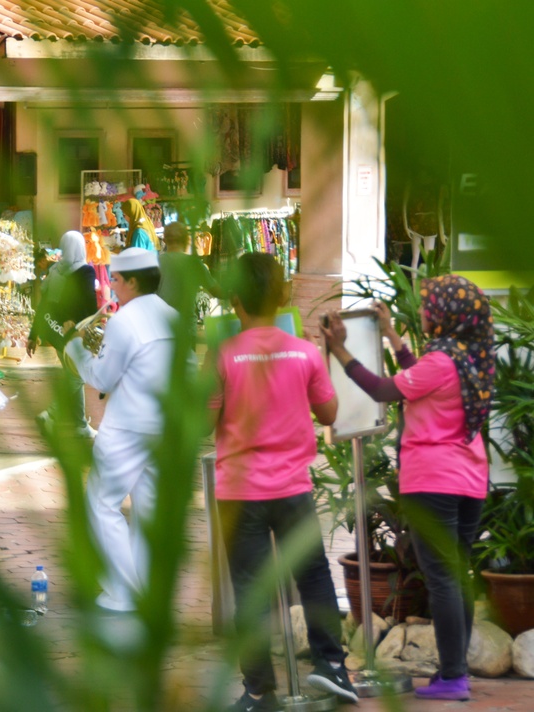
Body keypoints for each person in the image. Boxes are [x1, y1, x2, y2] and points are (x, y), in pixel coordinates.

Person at [321, 275, 495, 702]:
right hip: (469, 478)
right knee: (456, 576)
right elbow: (420, 376)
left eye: (429, 305)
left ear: (445, 316)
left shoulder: (441, 362)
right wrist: (392, 334)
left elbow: (384, 389)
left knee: (442, 579)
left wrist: (340, 349)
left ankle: (453, 677)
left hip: (434, 479)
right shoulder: (468, 357)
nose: (423, 311)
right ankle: (456, 673)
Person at [207, 253, 356, 711]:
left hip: (240, 492)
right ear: (283, 297)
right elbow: (329, 414)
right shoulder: (305, 352)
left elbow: (201, 421)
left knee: (250, 592)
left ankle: (258, 691)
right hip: (294, 488)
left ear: (235, 302)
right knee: (313, 575)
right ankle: (333, 665)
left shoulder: (224, 355)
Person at [62, 247, 179, 612]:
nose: (110, 285)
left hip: (127, 428)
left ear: (132, 281)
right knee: (147, 509)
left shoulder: (125, 322)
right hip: (162, 427)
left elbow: (102, 376)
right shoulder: (174, 317)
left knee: (102, 505)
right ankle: (145, 588)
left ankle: (124, 591)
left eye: (114, 279)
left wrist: (75, 348)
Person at [27, 230, 98, 439]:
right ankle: (51, 414)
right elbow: (90, 308)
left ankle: (80, 424)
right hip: (74, 335)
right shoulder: (85, 272)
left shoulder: (55, 270)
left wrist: (34, 334)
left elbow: (43, 306)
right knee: (78, 375)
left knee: (73, 373)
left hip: (55, 333)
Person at [157, 220, 221, 320]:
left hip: (162, 324)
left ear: (164, 240)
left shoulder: (155, 263)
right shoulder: (194, 264)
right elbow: (217, 291)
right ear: (186, 240)